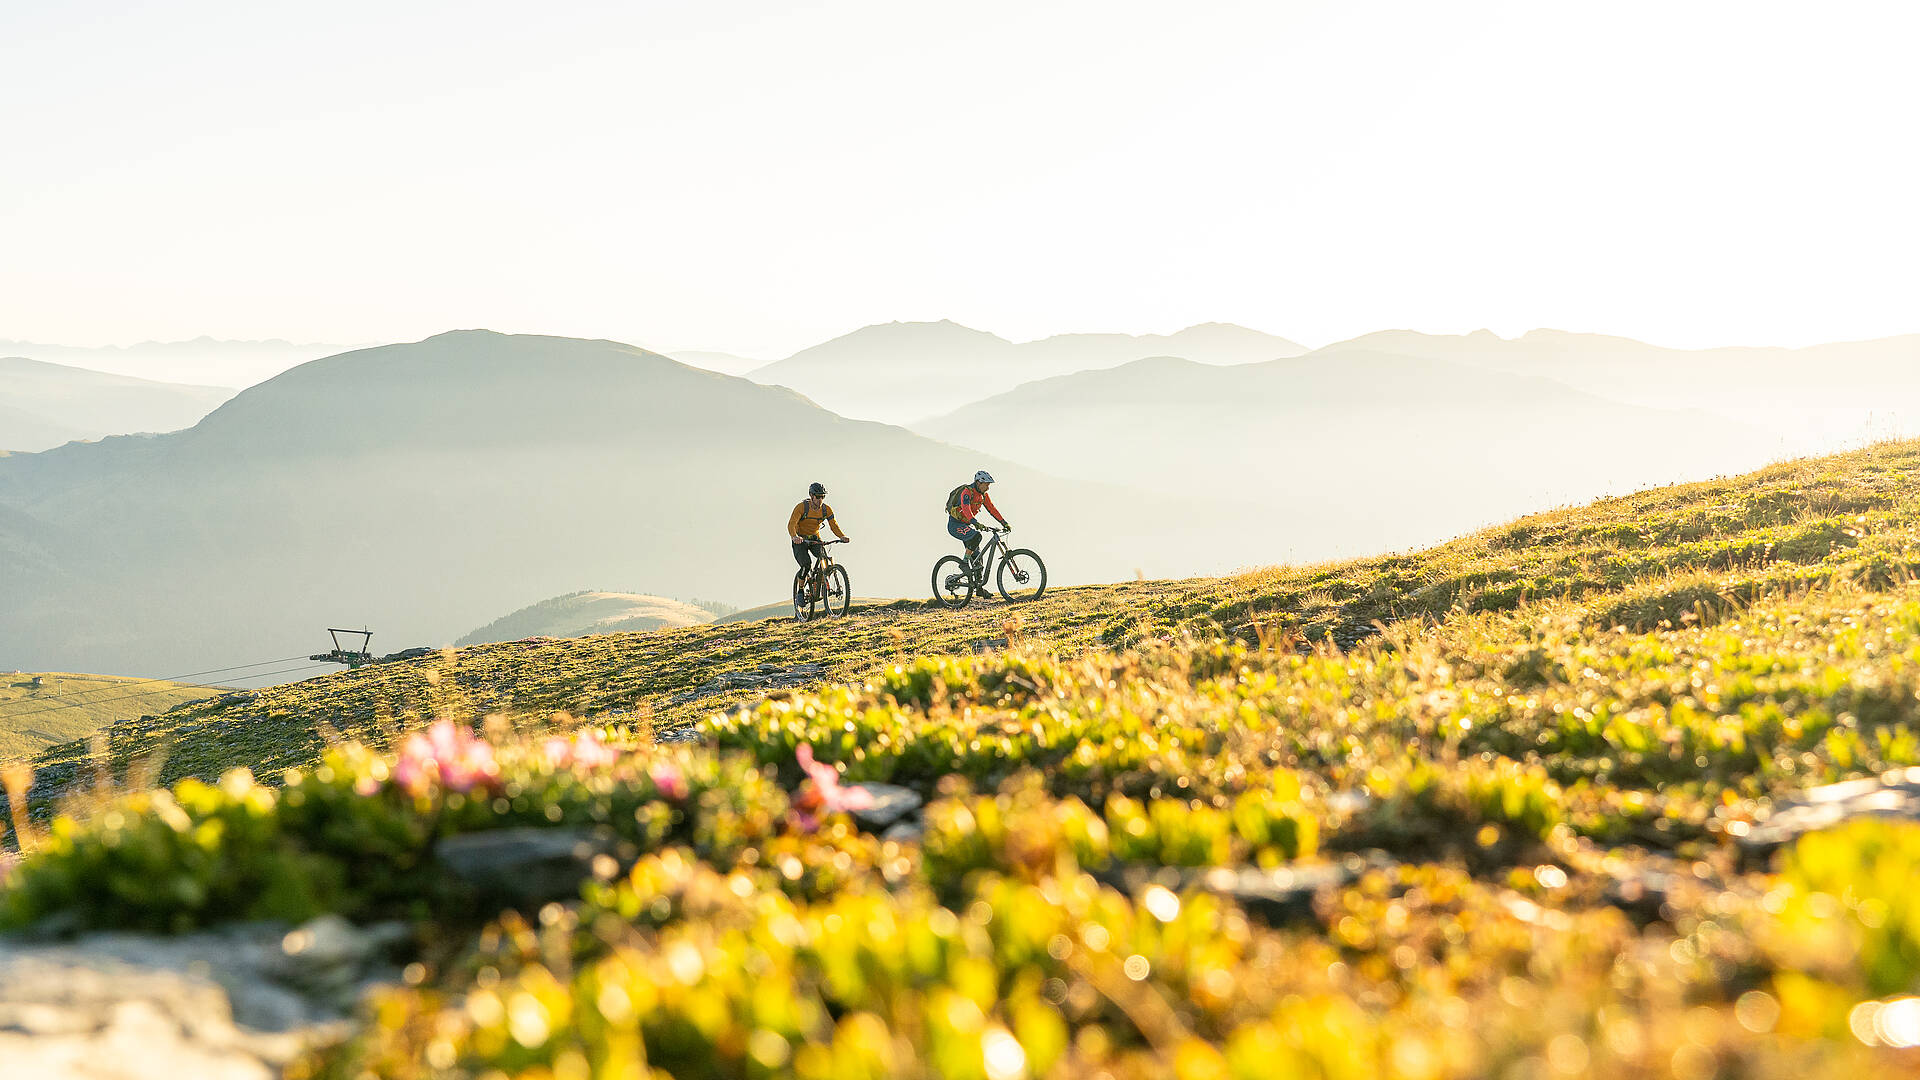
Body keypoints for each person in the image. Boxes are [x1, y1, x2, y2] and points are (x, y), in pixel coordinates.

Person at [946, 469, 1010, 570]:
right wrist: (975, 522)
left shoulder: (983, 495)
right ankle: (964, 563)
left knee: (978, 562)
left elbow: (992, 509)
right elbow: (965, 508)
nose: (988, 488)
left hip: (967, 525)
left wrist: (1004, 523)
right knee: (976, 536)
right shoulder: (967, 492)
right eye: (986, 485)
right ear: (978, 483)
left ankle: (976, 584)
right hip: (955, 525)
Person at [789, 482, 849, 584]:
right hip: (800, 539)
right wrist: (794, 536)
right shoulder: (801, 507)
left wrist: (842, 536)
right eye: (817, 496)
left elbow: (833, 525)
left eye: (822, 496)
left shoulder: (826, 510)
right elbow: (791, 524)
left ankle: (821, 586)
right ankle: (800, 591)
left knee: (824, 560)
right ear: (811, 496)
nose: (820, 499)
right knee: (806, 565)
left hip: (815, 539)